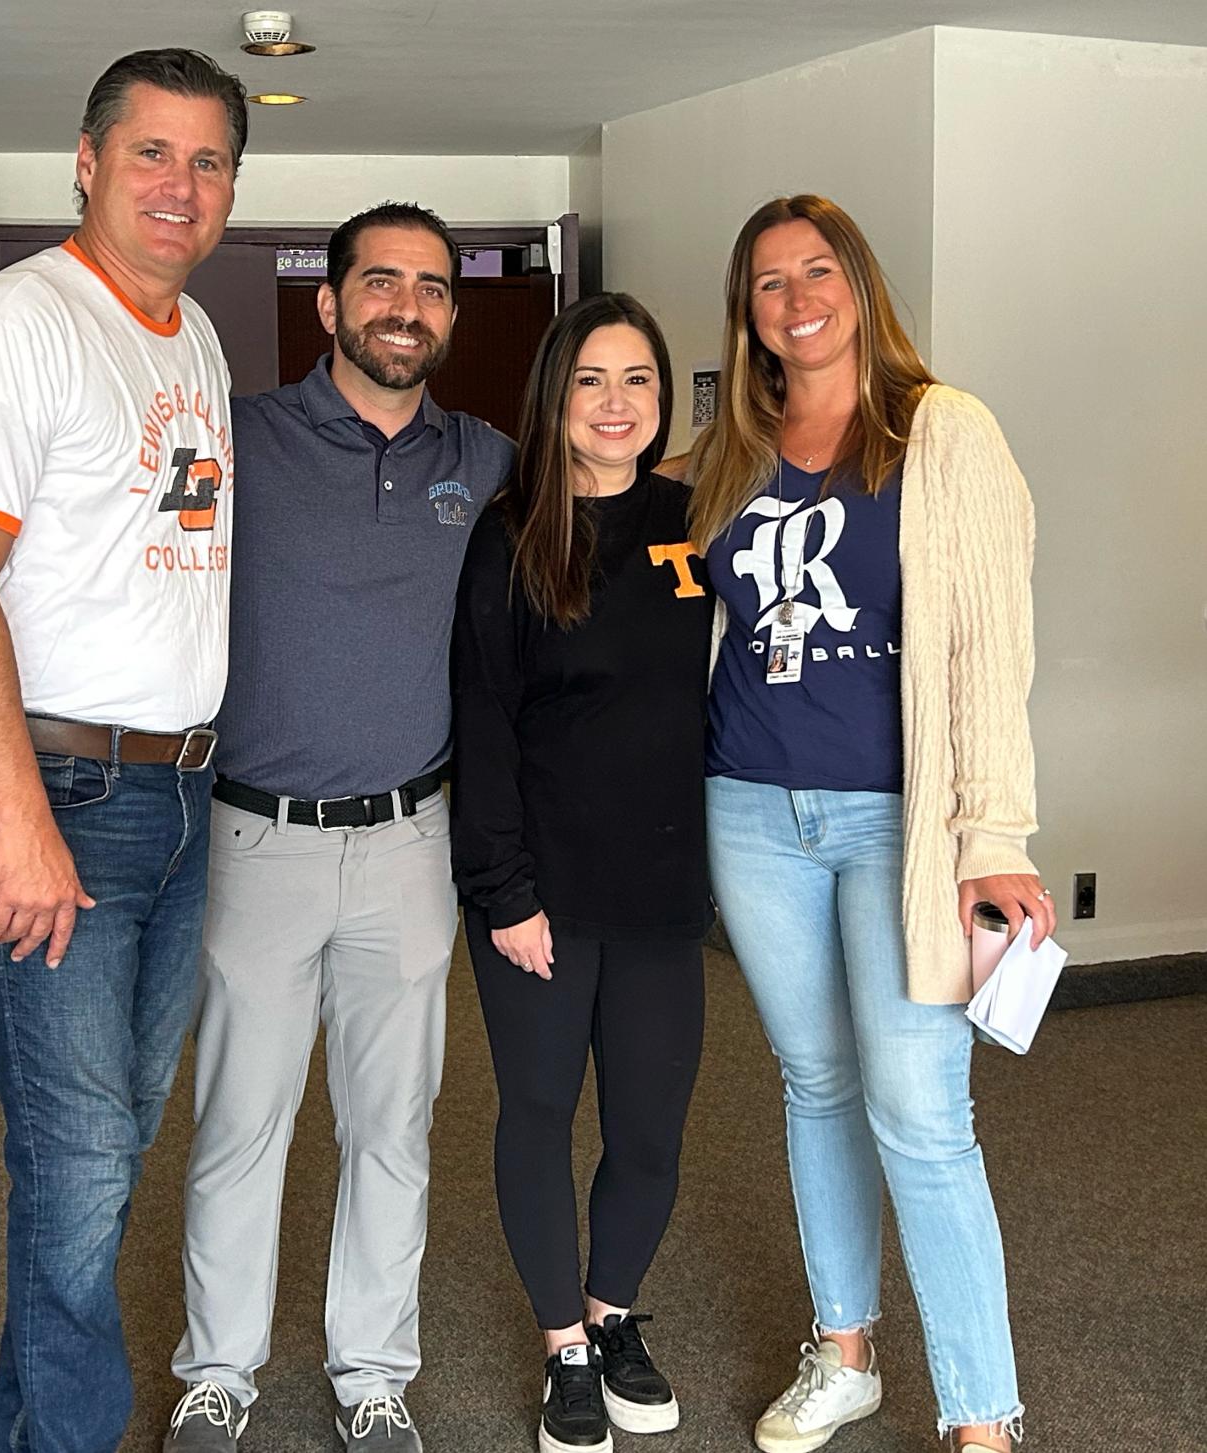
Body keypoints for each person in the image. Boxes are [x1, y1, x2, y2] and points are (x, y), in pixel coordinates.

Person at [0, 48, 245, 1453]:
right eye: (152, 153)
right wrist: (20, 824)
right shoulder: (11, 327)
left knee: (95, 1154)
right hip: (54, 794)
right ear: (89, 162)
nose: (181, 185)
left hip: (176, 793)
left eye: (209, 161)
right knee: (82, 1157)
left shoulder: (193, 336)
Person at [688, 194, 1056, 1453]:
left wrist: (992, 835)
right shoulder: (730, 446)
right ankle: (843, 1351)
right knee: (814, 1082)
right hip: (749, 806)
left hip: (900, 823)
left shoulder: (942, 429)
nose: (796, 299)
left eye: (817, 271)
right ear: (747, 312)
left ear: (859, 284)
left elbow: (996, 644)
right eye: (769, 281)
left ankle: (981, 1413)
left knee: (920, 1113)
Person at [164, 202, 515, 1453]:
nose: (402, 306)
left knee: (391, 1130)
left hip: (411, 848)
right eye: (379, 282)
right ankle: (218, 1372)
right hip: (256, 843)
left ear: (450, 316)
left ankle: (374, 1376)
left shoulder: (485, 462)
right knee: (239, 1126)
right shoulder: (240, 438)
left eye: (428, 288)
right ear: (329, 303)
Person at [451, 293, 713, 1453]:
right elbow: (485, 723)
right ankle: (561, 1342)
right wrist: (504, 892)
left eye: (639, 381)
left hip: (661, 892)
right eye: (593, 381)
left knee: (650, 1125)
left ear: (664, 399)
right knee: (543, 1110)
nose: (617, 404)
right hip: (540, 897)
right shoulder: (510, 532)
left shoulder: (697, 520)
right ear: (555, 400)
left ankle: (612, 1318)